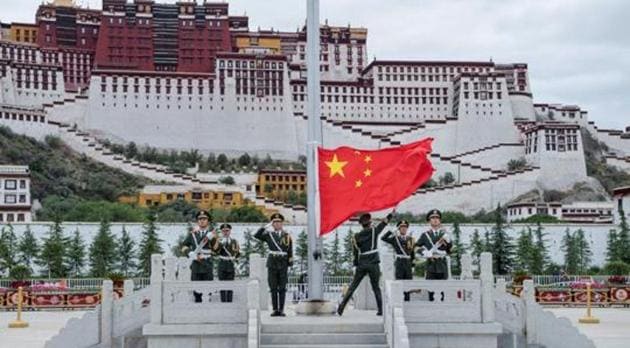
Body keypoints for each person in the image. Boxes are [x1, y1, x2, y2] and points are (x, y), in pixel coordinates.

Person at [337, 211, 393, 316]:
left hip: (362, 263)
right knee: (376, 287)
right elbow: (384, 223)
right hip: (373, 263)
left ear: (361, 224)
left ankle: (341, 307)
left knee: (353, 286)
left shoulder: (356, 236)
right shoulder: (374, 231)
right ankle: (380, 310)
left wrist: (356, 264)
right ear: (370, 222)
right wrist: (391, 214)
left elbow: (355, 252)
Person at [254, 213, 294, 317]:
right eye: (274, 222)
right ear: (272, 224)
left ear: (282, 223)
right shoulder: (269, 235)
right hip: (272, 262)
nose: (277, 224)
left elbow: (290, 250)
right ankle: (275, 309)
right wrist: (265, 226)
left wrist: (290, 262)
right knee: (273, 287)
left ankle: (281, 309)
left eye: (279, 222)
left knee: (282, 288)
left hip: (283, 262)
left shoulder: (287, 235)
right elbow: (257, 236)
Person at [181, 210, 219, 302]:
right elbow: (183, 246)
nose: (202, 221)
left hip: (207, 264)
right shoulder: (193, 234)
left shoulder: (212, 234)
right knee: (196, 290)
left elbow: (217, 250)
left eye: (204, 219)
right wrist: (190, 253)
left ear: (208, 221)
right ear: (197, 221)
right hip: (196, 265)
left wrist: (213, 238)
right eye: (200, 219)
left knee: (208, 290)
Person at [415, 209, 452, 301]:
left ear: (440, 221)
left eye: (437, 218)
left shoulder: (445, 234)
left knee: (442, 290)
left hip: (442, 264)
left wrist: (448, 243)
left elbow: (450, 250)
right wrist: (425, 252)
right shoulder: (425, 235)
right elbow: (415, 247)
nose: (435, 220)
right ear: (429, 220)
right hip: (431, 265)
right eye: (432, 218)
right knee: (430, 290)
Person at [381, 219, 415, 301]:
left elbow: (412, 252)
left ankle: (407, 301)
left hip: (408, 263)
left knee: (408, 284)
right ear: (398, 229)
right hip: (399, 262)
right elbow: (383, 238)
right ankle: (398, 302)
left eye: (405, 227)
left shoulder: (411, 239)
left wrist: (413, 265)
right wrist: (391, 231)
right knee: (399, 282)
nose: (403, 229)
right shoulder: (395, 239)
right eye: (401, 227)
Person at [215, 223, 240, 302]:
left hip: (230, 264)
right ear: (221, 232)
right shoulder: (219, 241)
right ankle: (223, 302)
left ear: (230, 231)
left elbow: (238, 252)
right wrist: (218, 243)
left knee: (230, 285)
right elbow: (215, 251)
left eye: (227, 231)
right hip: (222, 264)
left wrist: (234, 258)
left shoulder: (234, 241)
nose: (225, 232)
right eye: (224, 231)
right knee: (222, 285)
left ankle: (230, 302)